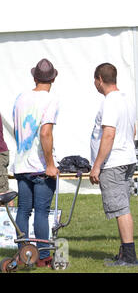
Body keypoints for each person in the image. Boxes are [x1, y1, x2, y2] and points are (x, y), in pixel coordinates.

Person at [12, 58, 60, 267]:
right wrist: (50, 164)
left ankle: (24, 253)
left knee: (23, 210)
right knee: (41, 211)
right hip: (39, 166)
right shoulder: (50, 99)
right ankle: (43, 256)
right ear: (54, 78)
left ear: (34, 77)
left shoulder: (20, 97)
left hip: (21, 163)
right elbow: (45, 132)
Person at [89, 62, 138, 267]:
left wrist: (97, 165)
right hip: (126, 158)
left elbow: (109, 134)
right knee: (122, 207)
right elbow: (133, 130)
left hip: (114, 162)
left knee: (120, 208)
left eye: (95, 80)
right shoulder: (127, 99)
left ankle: (129, 256)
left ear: (100, 79)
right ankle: (124, 252)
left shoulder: (110, 101)